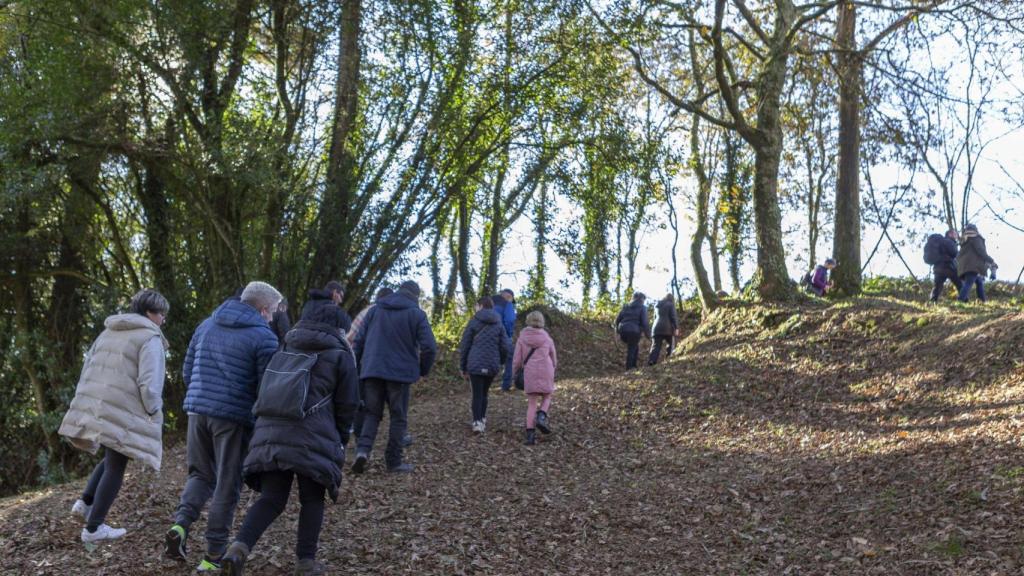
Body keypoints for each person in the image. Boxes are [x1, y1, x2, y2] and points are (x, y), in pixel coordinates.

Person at [220, 304, 359, 576]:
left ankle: (237, 549)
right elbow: (348, 404)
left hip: (272, 432)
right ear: (340, 328)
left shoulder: (285, 346)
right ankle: (305, 563)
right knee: (312, 499)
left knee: (272, 498)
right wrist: (340, 439)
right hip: (313, 435)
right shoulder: (341, 355)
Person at [164, 281, 282, 571]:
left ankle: (180, 526)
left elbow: (187, 369)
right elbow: (267, 387)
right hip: (233, 418)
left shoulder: (206, 324)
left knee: (200, 475)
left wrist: (199, 397)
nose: (274, 317)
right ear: (264, 309)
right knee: (227, 486)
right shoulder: (263, 336)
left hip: (197, 410)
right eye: (274, 312)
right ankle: (213, 556)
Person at [59, 289, 170, 543]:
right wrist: (154, 410)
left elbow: (88, 367)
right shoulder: (150, 339)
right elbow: (150, 385)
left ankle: (85, 502)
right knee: (117, 463)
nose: (163, 319)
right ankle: (94, 528)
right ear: (148, 313)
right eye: (161, 313)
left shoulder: (108, 332)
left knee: (113, 455)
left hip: (99, 401)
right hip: (124, 406)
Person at [351, 280, 437, 474]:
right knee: (398, 417)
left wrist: (359, 368)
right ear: (416, 296)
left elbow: (359, 341)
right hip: (399, 373)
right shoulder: (416, 314)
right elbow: (429, 347)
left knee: (372, 414)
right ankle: (393, 461)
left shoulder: (375, 310)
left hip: (372, 370)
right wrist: (422, 370)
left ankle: (362, 452)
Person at [458, 296, 511, 433]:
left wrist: (463, 366)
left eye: (477, 305)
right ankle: (482, 419)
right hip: (492, 363)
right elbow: (505, 346)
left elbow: (465, 345)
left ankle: (477, 422)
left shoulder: (474, 322)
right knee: (485, 393)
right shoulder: (499, 323)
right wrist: (501, 361)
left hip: (475, 363)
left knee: (476, 394)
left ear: (480, 306)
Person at [513, 311, 557, 446]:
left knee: (532, 403)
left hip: (530, 371)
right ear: (542, 322)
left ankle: (530, 437)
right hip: (546, 370)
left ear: (528, 321)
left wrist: (514, 372)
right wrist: (553, 369)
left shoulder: (522, 338)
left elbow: (517, 360)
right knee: (547, 395)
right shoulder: (548, 339)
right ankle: (541, 416)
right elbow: (554, 359)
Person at [956, 224, 998, 303]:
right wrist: (991, 260)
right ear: (976, 230)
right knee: (969, 283)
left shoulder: (964, 240)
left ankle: (982, 300)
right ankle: (960, 300)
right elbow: (981, 251)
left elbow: (959, 255)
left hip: (965, 266)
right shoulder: (976, 238)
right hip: (973, 266)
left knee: (979, 282)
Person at [925, 230, 963, 302]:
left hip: (938, 267)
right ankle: (964, 300)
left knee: (937, 286)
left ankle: (933, 301)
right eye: (955, 234)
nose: (956, 236)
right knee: (959, 284)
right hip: (949, 267)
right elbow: (954, 253)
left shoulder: (940, 241)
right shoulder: (949, 241)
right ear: (950, 234)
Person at [615, 292, 649, 370]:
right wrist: (648, 335)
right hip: (634, 331)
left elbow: (617, 320)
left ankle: (634, 365)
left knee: (634, 347)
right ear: (641, 299)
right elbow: (644, 322)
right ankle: (629, 368)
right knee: (632, 347)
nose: (644, 301)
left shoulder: (626, 306)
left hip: (623, 330)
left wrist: (618, 331)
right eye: (644, 299)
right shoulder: (642, 307)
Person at [492, 289, 517, 391]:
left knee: (489, 358)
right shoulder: (507, 304)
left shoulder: (488, 301)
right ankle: (506, 385)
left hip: (485, 335)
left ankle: (484, 383)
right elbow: (510, 320)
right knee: (509, 359)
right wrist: (509, 334)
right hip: (502, 335)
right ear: (509, 297)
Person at [648, 293, 678, 366]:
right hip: (667, 328)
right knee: (670, 344)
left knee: (656, 345)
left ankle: (652, 361)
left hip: (656, 328)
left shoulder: (657, 305)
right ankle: (669, 359)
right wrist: (676, 327)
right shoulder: (670, 305)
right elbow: (673, 317)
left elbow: (655, 317)